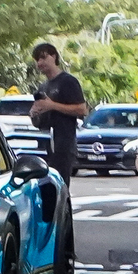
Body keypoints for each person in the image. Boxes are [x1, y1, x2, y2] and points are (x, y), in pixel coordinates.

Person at [27, 42, 88, 177]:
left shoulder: (68, 81)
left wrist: (52, 105)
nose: (40, 63)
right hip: (45, 146)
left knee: (60, 183)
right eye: (37, 60)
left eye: (43, 57)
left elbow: (82, 110)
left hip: (63, 146)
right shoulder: (43, 86)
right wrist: (34, 113)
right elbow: (40, 118)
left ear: (54, 57)